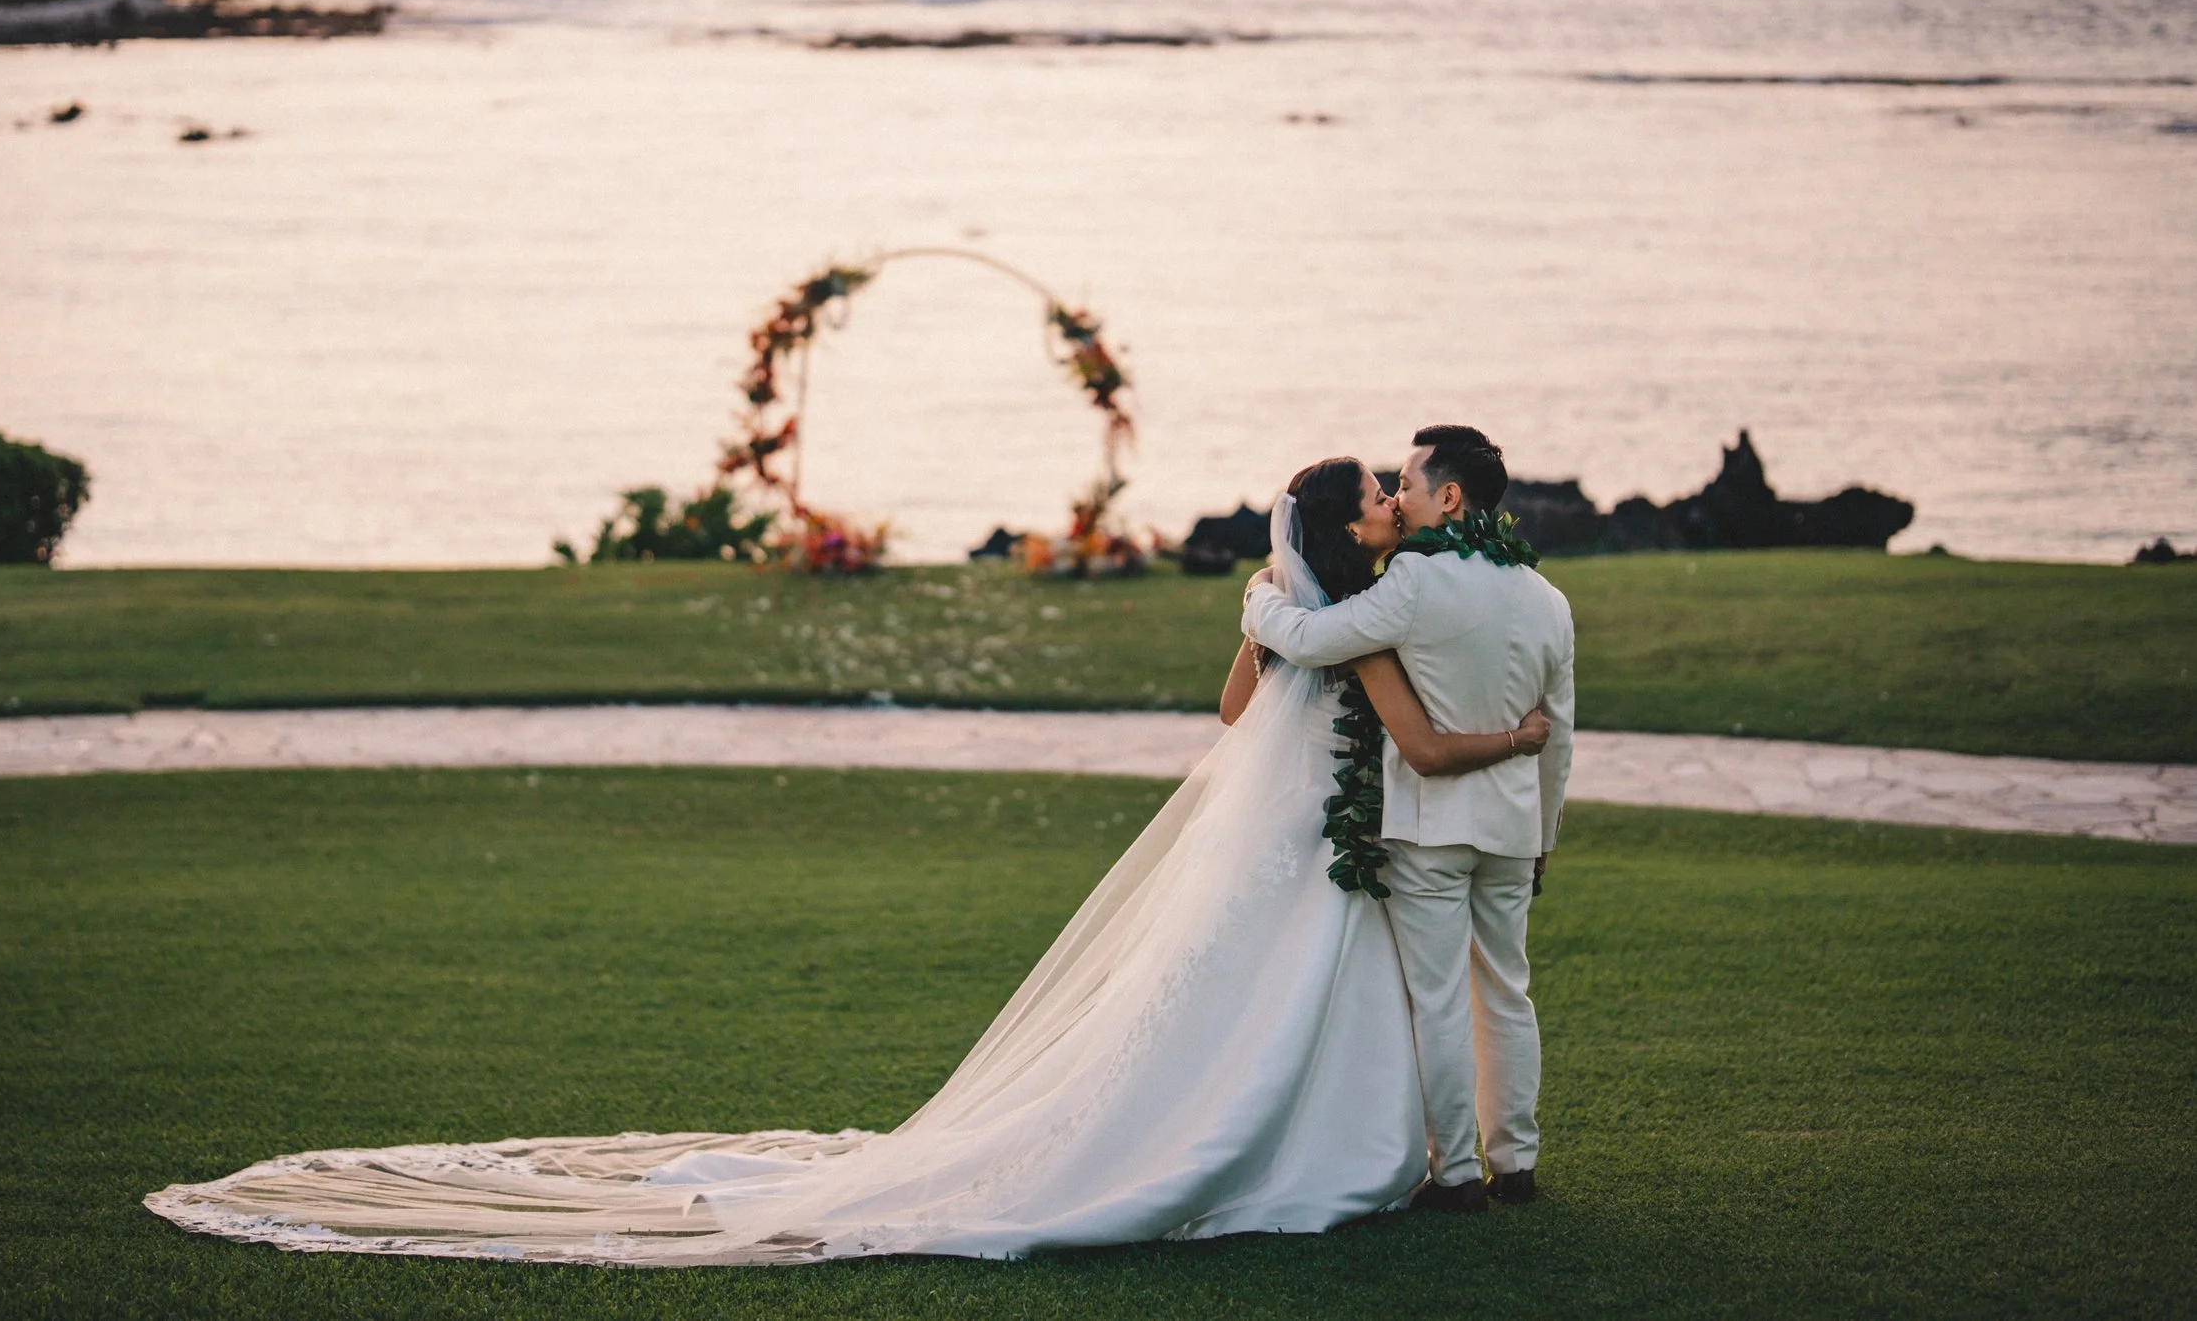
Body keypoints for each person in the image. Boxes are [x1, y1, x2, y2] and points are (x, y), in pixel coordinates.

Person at [144, 455, 1548, 1266]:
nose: (1389, 498)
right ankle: (1371, 1158)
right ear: (1340, 527)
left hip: (1298, 840)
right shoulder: (1354, 622)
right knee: (1319, 991)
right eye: (1374, 491)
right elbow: (1354, 720)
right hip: (1324, 840)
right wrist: (1519, 732)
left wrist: (1265, 613)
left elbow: (1233, 710)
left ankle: (1368, 1150)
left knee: (1244, 995)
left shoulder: (1306, 612)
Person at [1242, 426, 1576, 1212]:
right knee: (1506, 992)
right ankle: (1517, 1166)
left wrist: (1259, 593)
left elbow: (1308, 636)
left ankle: (1456, 1175)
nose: (1397, 497)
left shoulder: (1412, 586)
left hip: (1429, 830)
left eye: (1409, 484)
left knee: (1438, 1000)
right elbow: (1556, 736)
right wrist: (1545, 836)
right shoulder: (1548, 600)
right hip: (1513, 828)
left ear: (1450, 497)